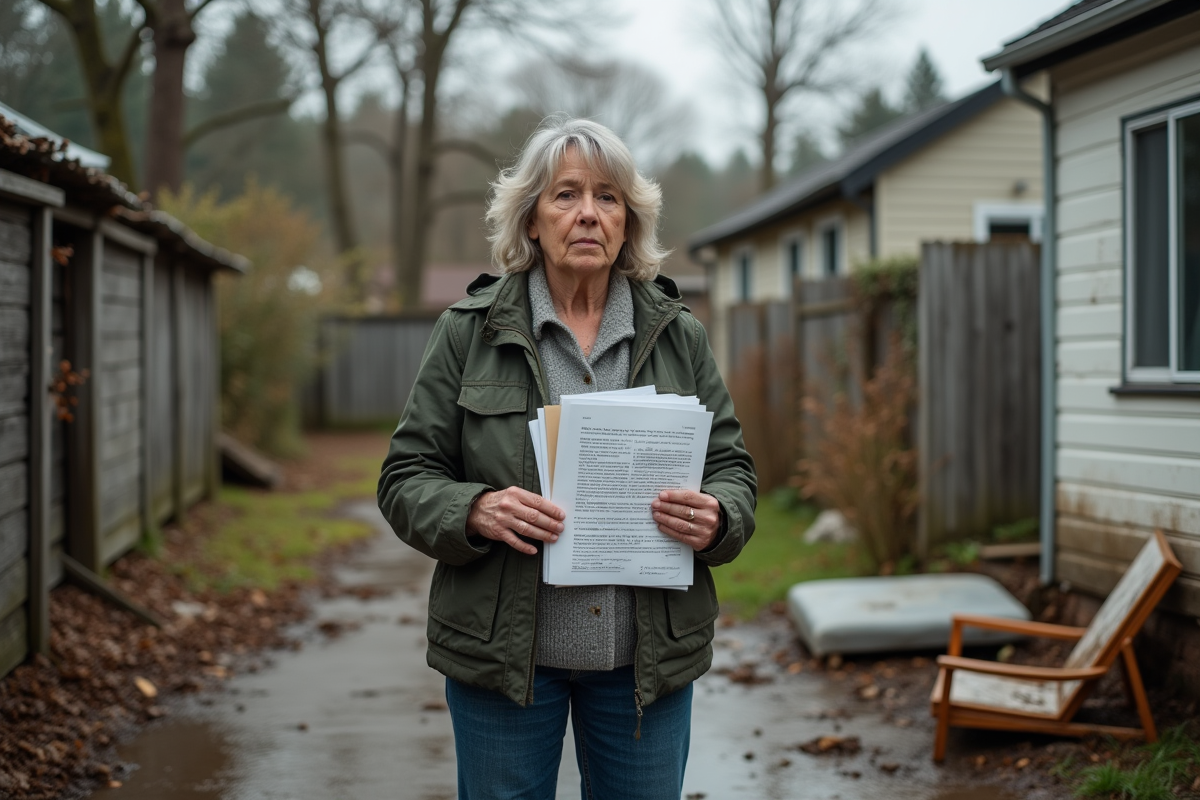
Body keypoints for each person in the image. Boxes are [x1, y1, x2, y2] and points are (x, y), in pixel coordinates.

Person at [378, 116, 756, 800]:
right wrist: (475, 509)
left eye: (608, 197)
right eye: (566, 195)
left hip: (645, 667)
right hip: (504, 664)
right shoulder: (468, 332)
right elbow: (405, 477)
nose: (588, 214)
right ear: (530, 219)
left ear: (629, 222)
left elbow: (733, 471)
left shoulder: (680, 335)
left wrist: (719, 517)